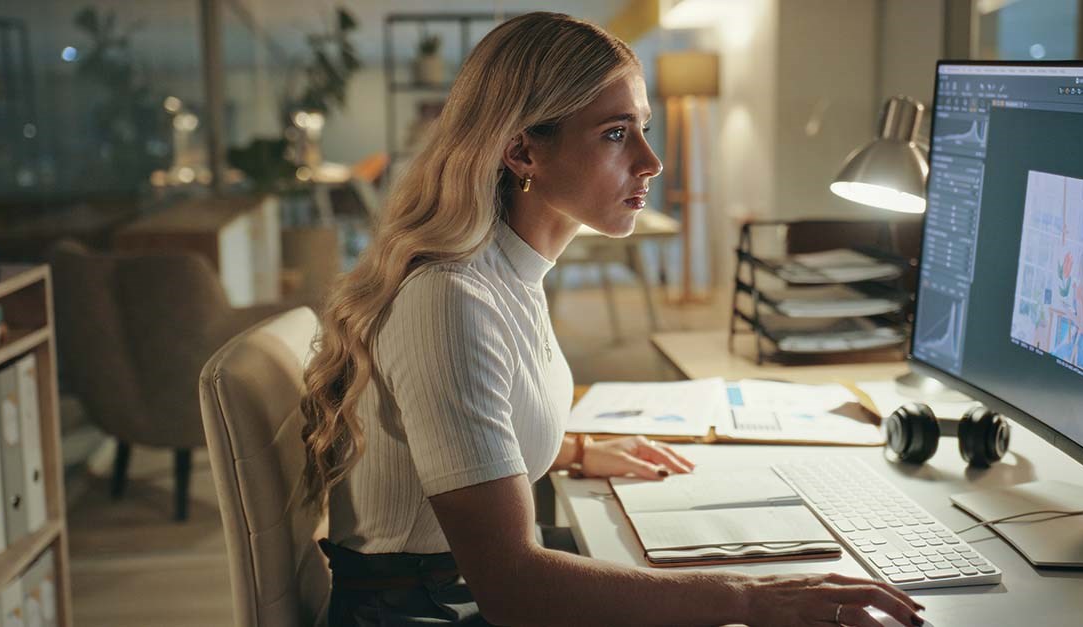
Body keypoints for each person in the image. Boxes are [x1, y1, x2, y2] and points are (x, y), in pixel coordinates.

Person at [300, 12, 925, 627]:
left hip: (451, 592)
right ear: (522, 150)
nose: (651, 161)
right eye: (616, 133)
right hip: (428, 610)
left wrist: (576, 449)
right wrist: (750, 598)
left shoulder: (506, 272)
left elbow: (459, 429)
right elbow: (514, 588)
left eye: (642, 128)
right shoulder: (450, 301)